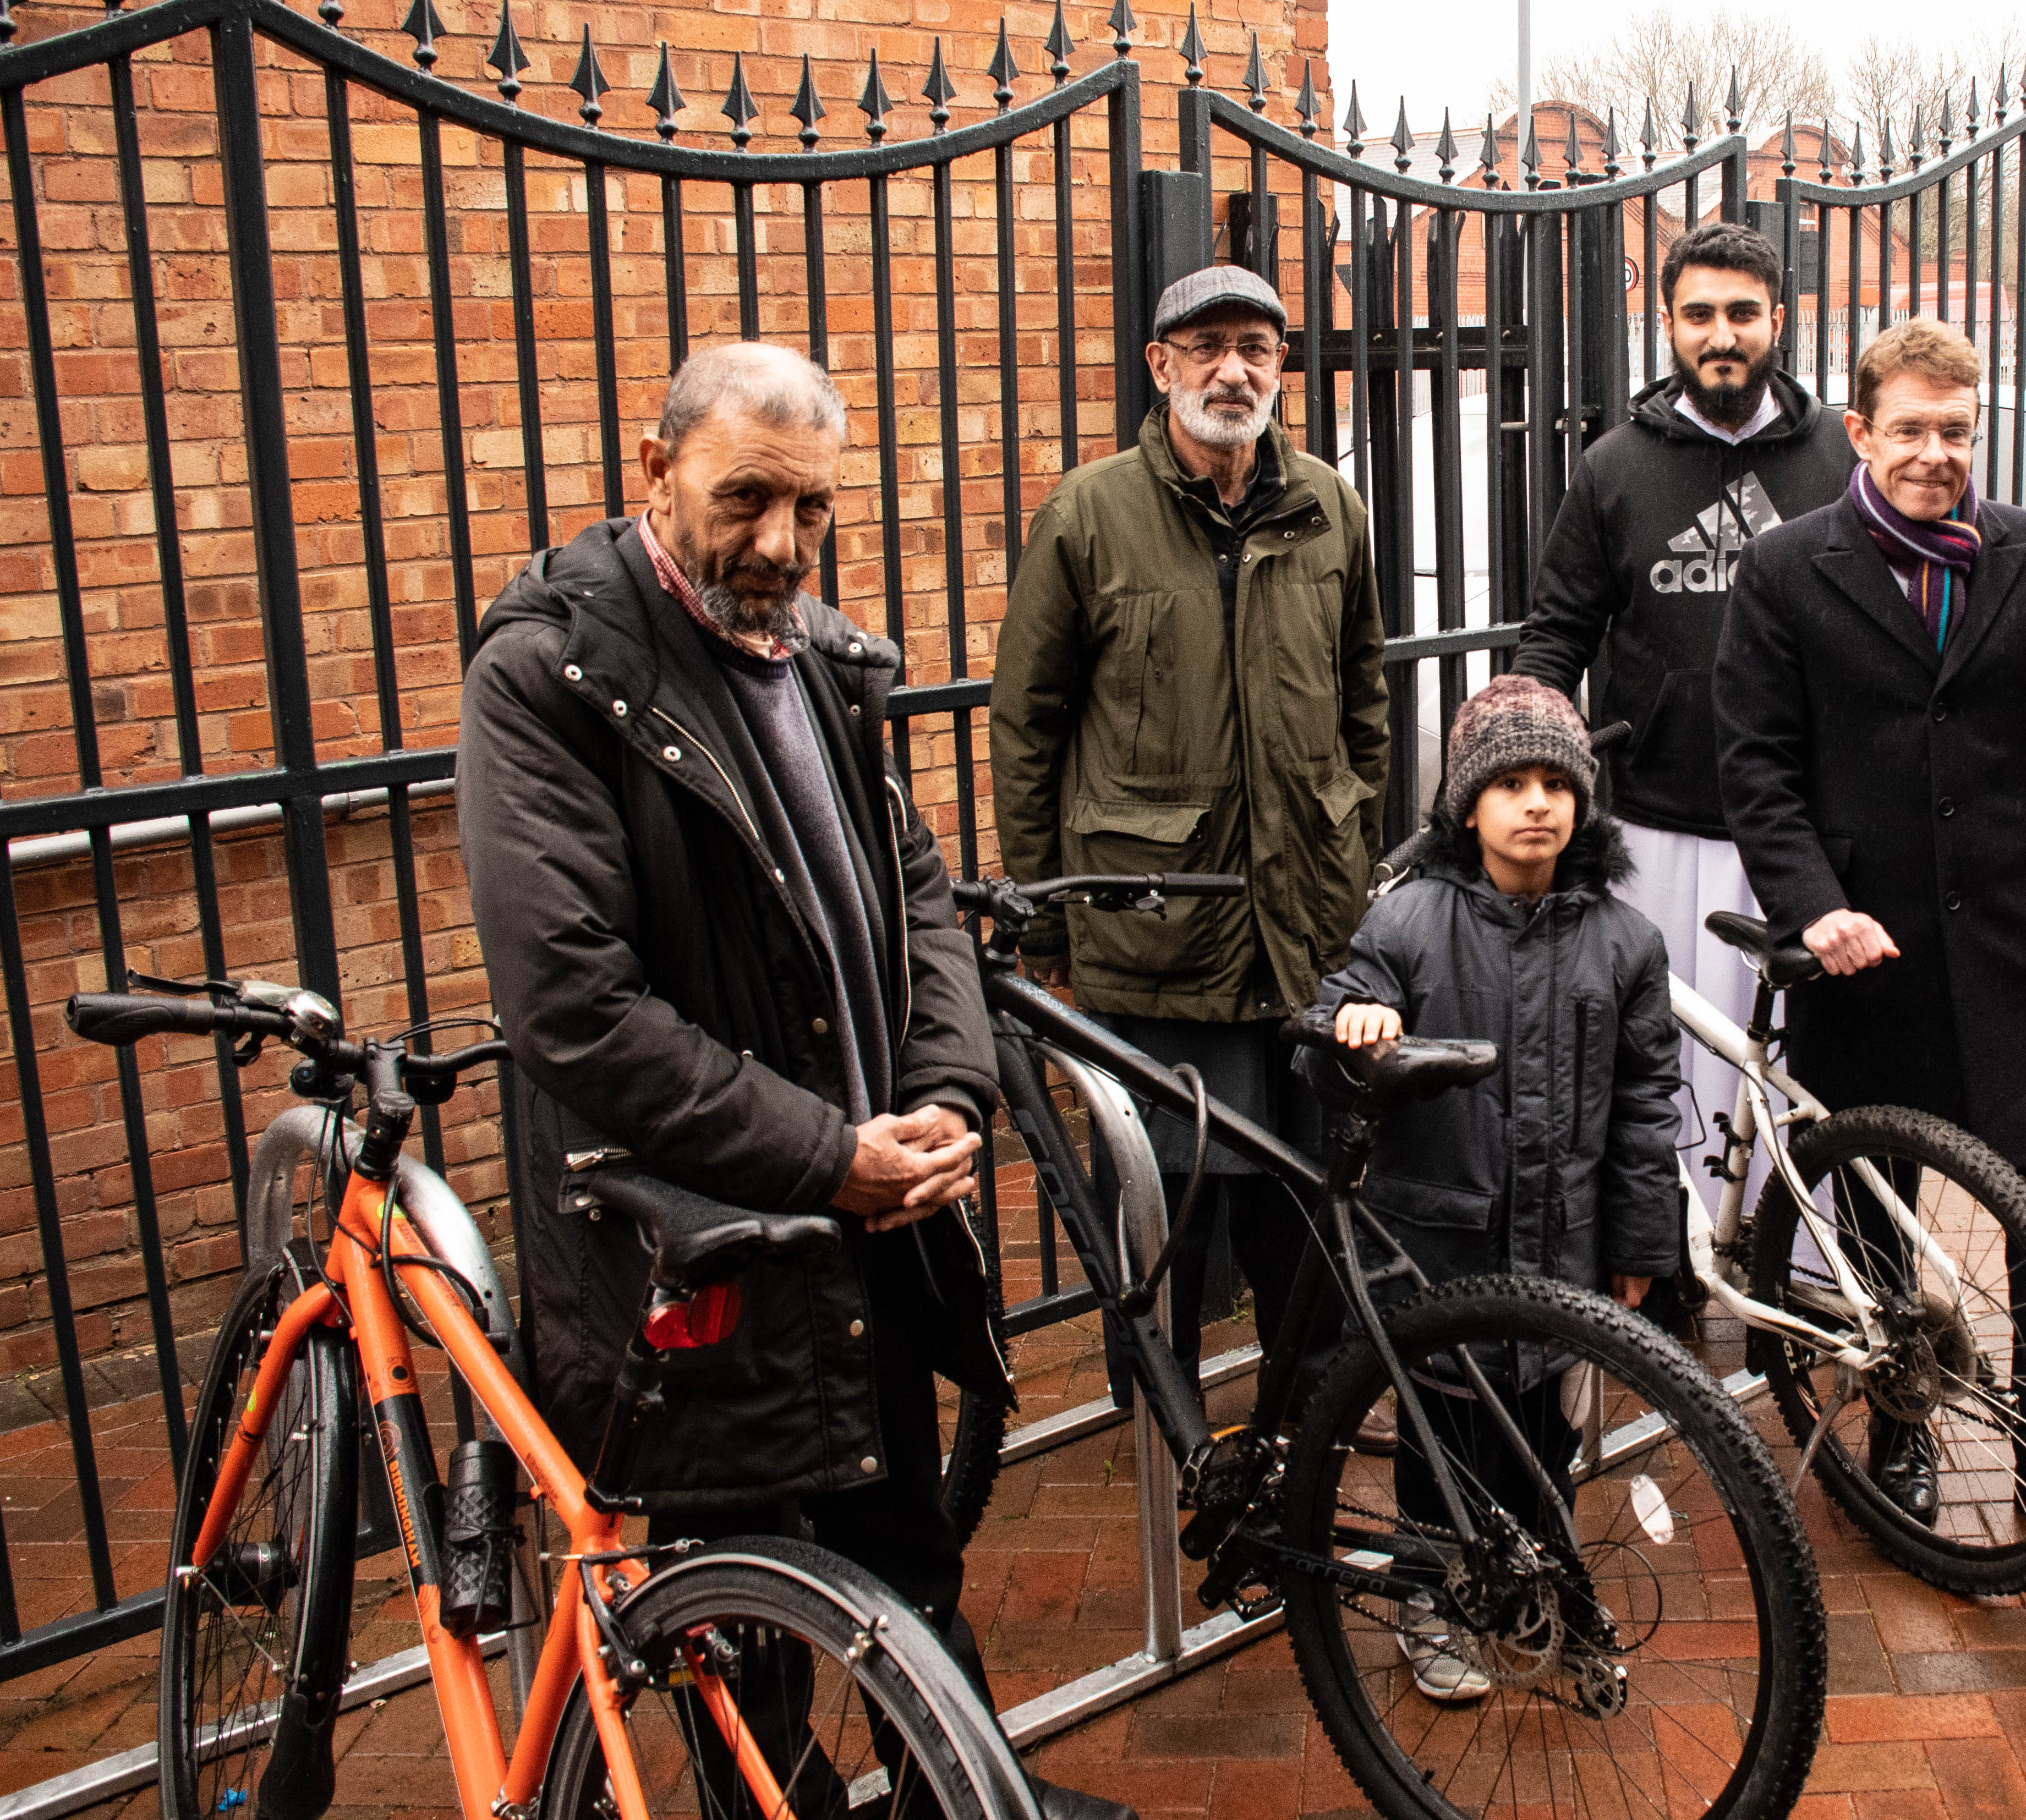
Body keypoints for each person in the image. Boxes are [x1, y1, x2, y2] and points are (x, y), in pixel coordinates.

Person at [459, 342, 1128, 1820]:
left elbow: (920, 898)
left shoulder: (826, 663)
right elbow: (577, 1010)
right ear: (656, 472)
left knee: (907, 1561)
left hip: (863, 1214)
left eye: (811, 509)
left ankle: (959, 1799)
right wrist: (827, 1152)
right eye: (743, 497)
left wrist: (950, 1098)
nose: (778, 543)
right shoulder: (554, 678)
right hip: (695, 1247)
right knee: (734, 1634)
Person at [1714, 316, 2026, 1577]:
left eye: (1955, 432)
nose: (1934, 454)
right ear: (1859, 431)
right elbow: (1755, 764)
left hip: (2013, 943)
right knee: (1875, 1215)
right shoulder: (1787, 566)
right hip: (1868, 957)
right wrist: (1814, 905)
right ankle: (1898, 1435)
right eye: (1909, 428)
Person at [990, 264, 1388, 1388]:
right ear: (1160, 366)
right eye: (1207, 345)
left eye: (1257, 346)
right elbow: (1026, 724)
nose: (1234, 368)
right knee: (1167, 1213)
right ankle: (1167, 1435)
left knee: (1305, 1213)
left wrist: (1348, 837)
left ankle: (1292, 1440)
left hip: (1302, 927)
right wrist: (1047, 919)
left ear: (1281, 367)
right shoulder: (1091, 513)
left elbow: (1365, 696)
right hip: (1157, 925)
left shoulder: (1326, 502)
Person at [1298, 674, 1682, 1702]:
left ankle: (1532, 1589)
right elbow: (1336, 1028)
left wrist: (1642, 1244)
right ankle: (1432, 1598)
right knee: (1440, 1454)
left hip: (1564, 1257)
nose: (1536, 803)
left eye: (1556, 782)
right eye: (1509, 782)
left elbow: (1649, 1105)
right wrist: (1359, 1029)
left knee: (1544, 1454)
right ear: (1467, 806)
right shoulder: (1409, 926)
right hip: (1441, 1256)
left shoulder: (1625, 942)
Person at [1512, 221, 1855, 1195]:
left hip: (1809, 826)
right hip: (1660, 819)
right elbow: (1559, 631)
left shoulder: (1839, 453)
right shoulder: (1615, 465)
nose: (1722, 335)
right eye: (1698, 314)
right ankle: (1660, 1266)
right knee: (1664, 1073)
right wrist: (1528, 741)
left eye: (1743, 314)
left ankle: (1814, 1280)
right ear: (1665, 323)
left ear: (1778, 321)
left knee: (1804, 1079)